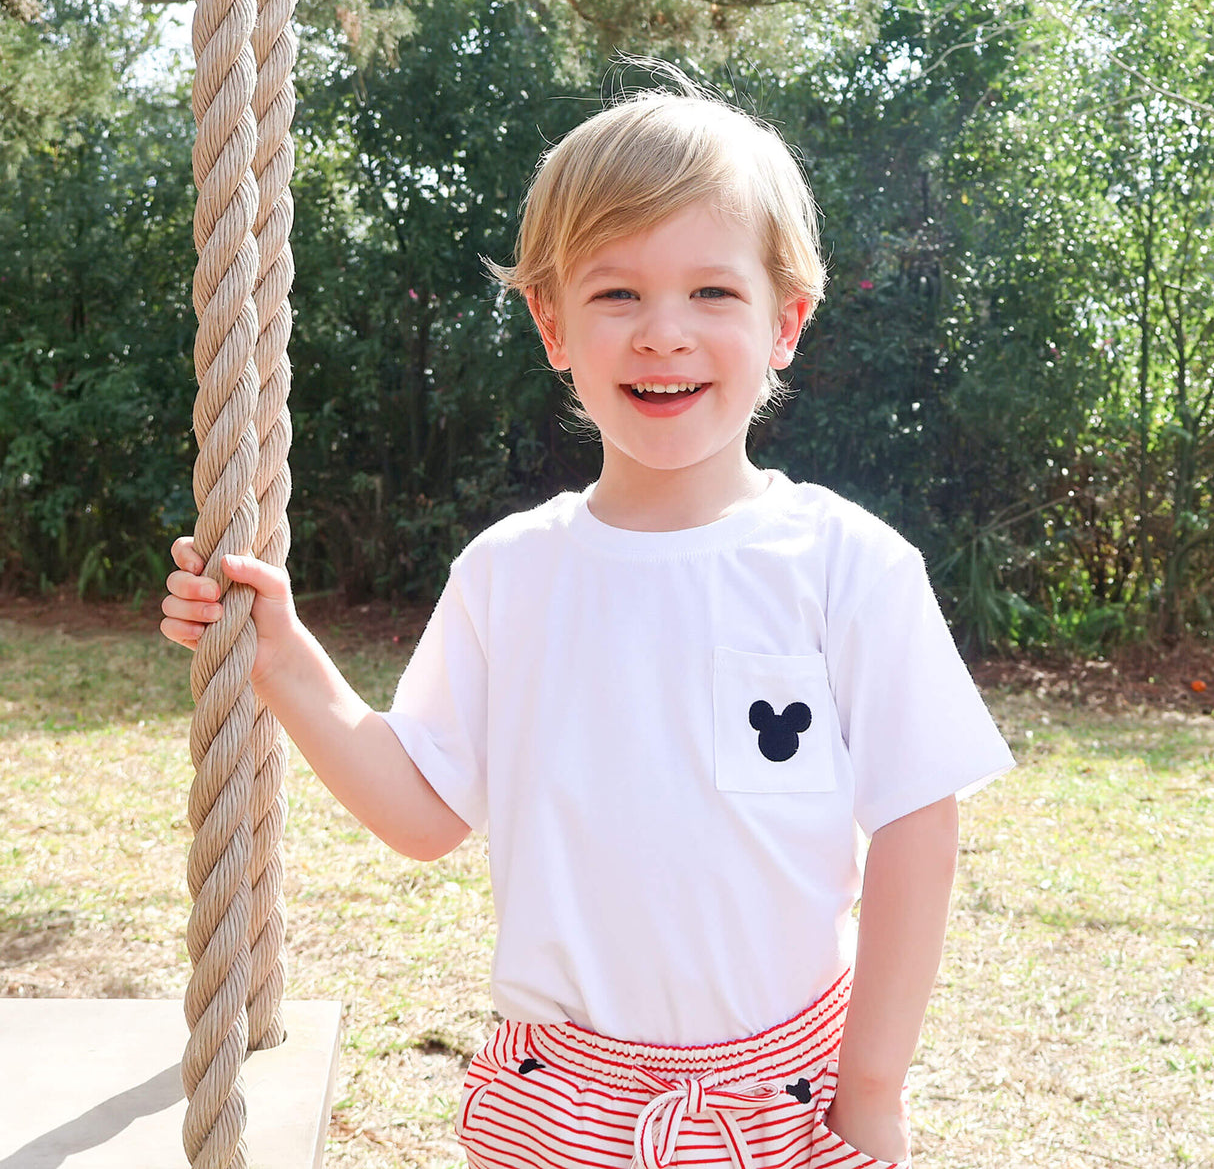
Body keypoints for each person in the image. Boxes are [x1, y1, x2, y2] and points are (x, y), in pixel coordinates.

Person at [162, 70, 1015, 1169]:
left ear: (785, 323)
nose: (663, 333)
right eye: (616, 295)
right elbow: (423, 812)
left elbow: (914, 824)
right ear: (553, 323)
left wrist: (871, 1085)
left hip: (784, 1097)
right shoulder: (509, 574)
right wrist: (284, 662)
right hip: (555, 1099)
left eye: (712, 293)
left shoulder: (846, 565)